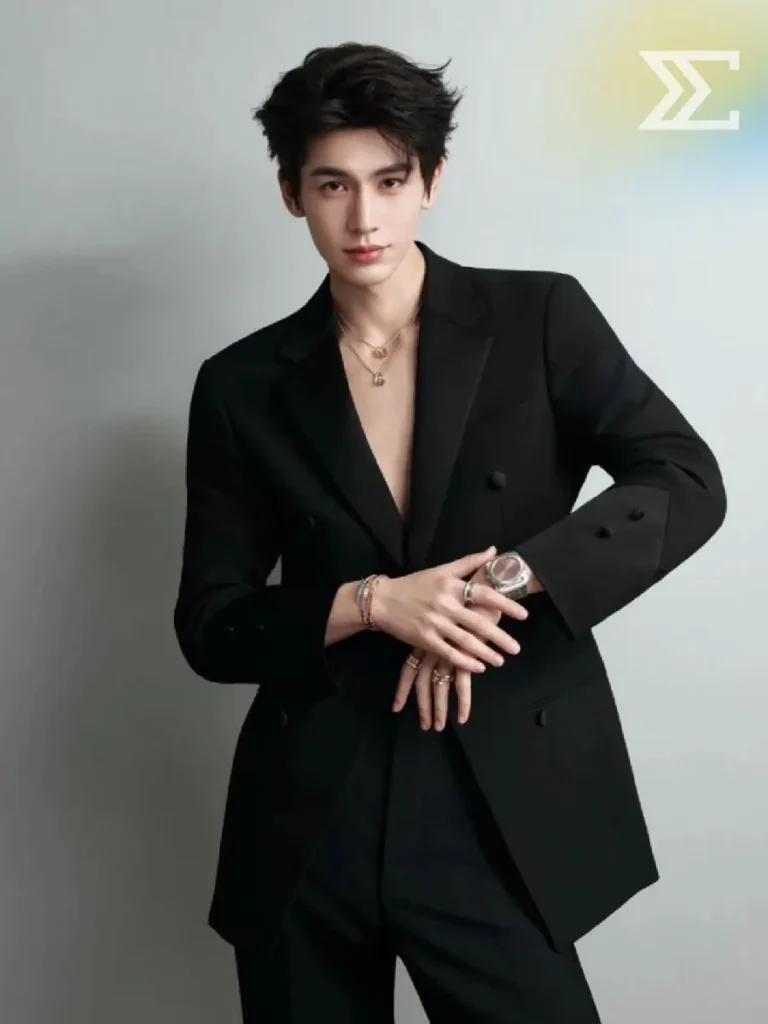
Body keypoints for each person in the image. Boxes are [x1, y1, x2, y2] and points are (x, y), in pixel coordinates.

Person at [173, 41, 727, 1023]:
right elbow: (211, 626)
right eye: (333, 184)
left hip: (497, 798)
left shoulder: (538, 318)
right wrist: (375, 603)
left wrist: (500, 583)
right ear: (292, 194)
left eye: (389, 180)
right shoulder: (242, 385)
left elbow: (684, 479)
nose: (364, 217)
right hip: (311, 814)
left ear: (432, 179)